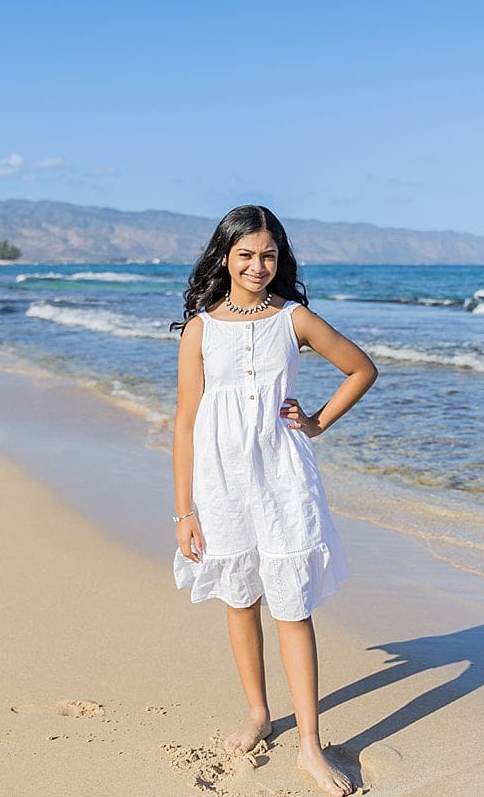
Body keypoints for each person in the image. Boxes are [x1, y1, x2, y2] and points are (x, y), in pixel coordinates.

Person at [169, 205, 378, 797]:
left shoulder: (295, 319)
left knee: (292, 606)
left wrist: (316, 423)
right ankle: (259, 714)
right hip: (221, 481)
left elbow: (360, 369)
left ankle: (310, 745)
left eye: (268, 255)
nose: (258, 266)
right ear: (224, 257)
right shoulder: (200, 329)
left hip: (283, 476)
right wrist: (184, 510)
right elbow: (185, 422)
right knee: (240, 598)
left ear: (279, 259)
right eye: (246, 255)